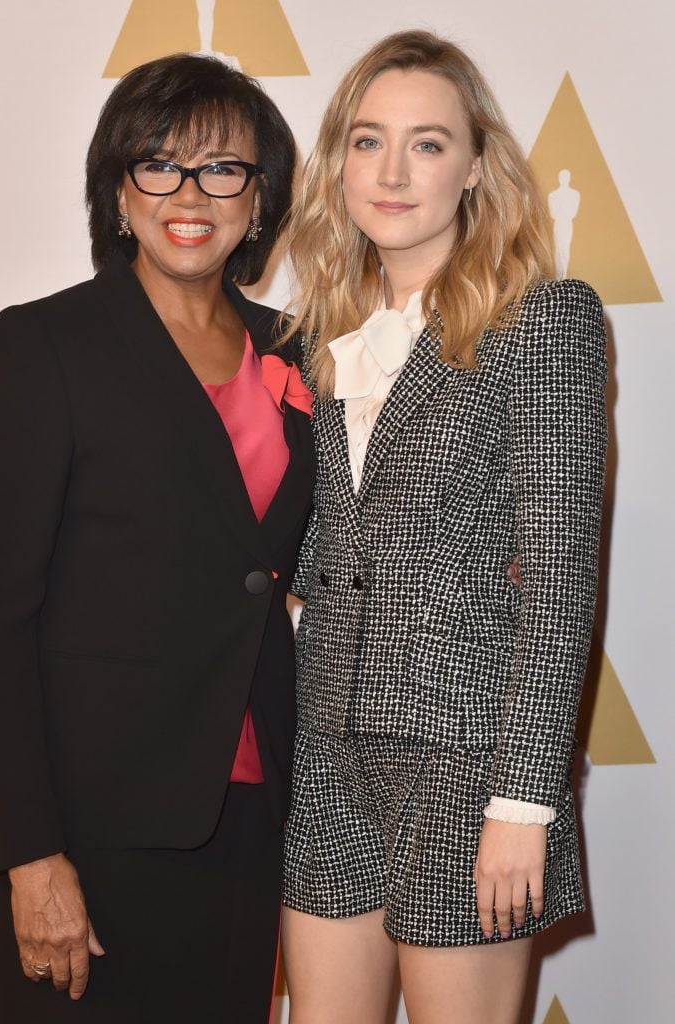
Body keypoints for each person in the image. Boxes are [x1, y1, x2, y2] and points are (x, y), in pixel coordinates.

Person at [0, 54, 314, 1023]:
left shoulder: (298, 349)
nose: (189, 194)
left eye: (222, 168)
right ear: (118, 189)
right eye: (158, 163)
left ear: (259, 196)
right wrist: (30, 853)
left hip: (248, 800)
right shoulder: (46, 345)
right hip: (82, 810)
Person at [279, 30, 607, 1024]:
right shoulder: (313, 340)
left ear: (474, 166)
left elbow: (560, 579)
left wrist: (523, 803)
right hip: (326, 747)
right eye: (367, 140)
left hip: (470, 761)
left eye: (426, 143)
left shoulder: (542, 319)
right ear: (337, 161)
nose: (391, 171)